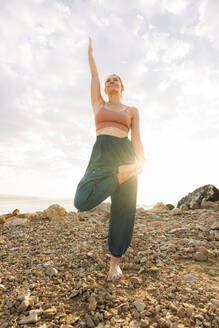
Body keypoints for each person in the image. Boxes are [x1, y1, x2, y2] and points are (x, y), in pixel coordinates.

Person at [73, 37, 146, 281]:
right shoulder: (98, 104)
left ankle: (115, 263)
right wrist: (91, 56)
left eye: (116, 80)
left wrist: (141, 161)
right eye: (108, 80)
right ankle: (118, 176)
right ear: (105, 88)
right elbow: (94, 76)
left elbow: (136, 138)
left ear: (122, 88)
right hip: (102, 157)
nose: (111, 81)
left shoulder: (132, 111)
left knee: (123, 210)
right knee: (82, 199)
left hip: (125, 155)